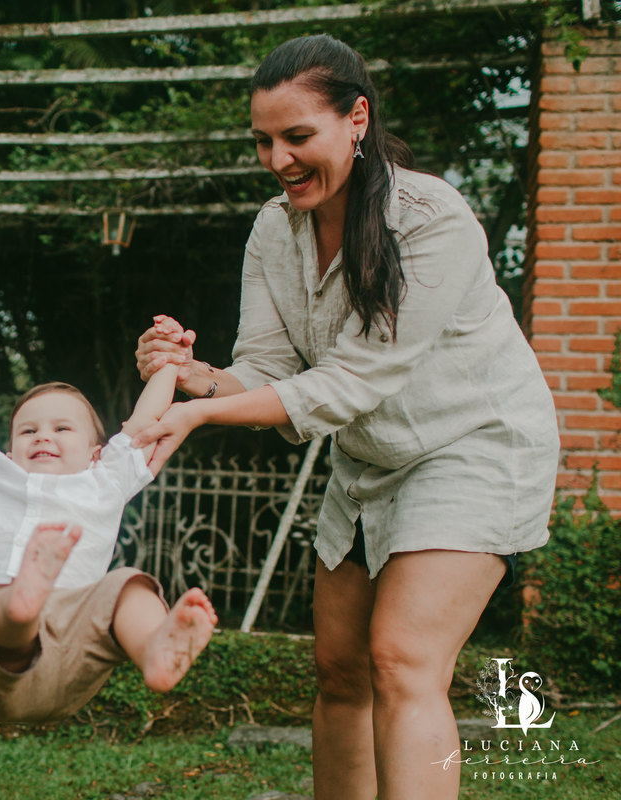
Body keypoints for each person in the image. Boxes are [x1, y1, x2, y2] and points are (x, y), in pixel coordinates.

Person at [131, 34, 558, 800]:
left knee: (401, 657)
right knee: (339, 667)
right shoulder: (274, 229)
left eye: (297, 137)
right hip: (369, 459)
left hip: (474, 444)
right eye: (263, 141)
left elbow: (352, 381)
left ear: (356, 118)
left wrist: (198, 421)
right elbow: (266, 370)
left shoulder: (434, 220)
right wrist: (191, 375)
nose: (277, 159)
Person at [0, 367, 217, 723]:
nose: (42, 437)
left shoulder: (105, 479)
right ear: (9, 454)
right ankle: (22, 606)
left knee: (125, 585)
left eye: (61, 428)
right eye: (28, 431)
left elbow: (143, 424)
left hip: (75, 644)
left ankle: (153, 647)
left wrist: (169, 364)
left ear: (95, 454)